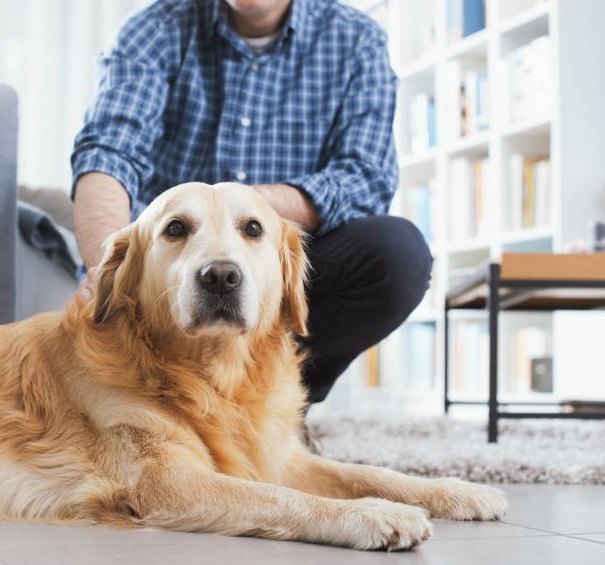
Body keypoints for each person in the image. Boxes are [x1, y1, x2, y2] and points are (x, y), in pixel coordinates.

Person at [70, 0, 432, 405]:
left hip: (278, 262)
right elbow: (107, 154)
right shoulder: (153, 30)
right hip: (168, 274)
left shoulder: (358, 39)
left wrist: (248, 213)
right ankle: (166, 400)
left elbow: (366, 177)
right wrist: (104, 265)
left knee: (397, 254)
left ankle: (274, 408)